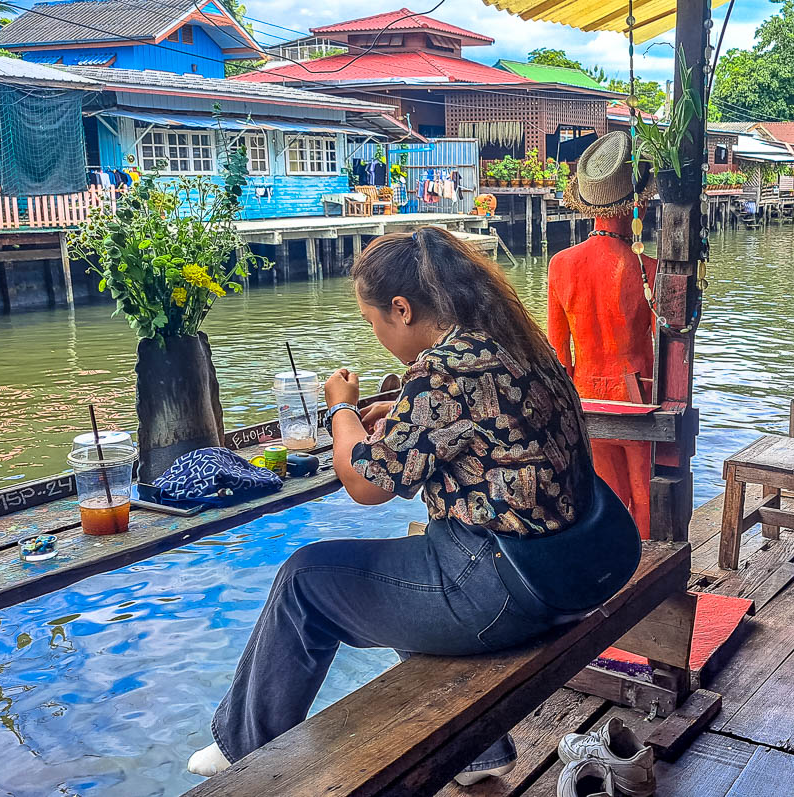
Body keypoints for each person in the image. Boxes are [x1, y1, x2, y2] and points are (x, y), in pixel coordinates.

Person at [188, 226, 631, 785]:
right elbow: (472, 425)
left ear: (401, 308)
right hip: (577, 570)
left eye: (373, 322)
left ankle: (242, 749)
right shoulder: (515, 342)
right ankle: (480, 755)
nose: (376, 336)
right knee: (404, 559)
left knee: (306, 579)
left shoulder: (442, 369)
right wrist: (401, 413)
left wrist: (341, 412)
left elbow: (366, 484)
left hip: (514, 592)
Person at [548, 132, 658, 535]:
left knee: (607, 498)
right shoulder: (647, 267)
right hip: (637, 392)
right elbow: (667, 342)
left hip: (584, 394)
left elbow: (558, 352)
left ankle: (617, 576)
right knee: (645, 495)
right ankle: (651, 574)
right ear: (637, 205)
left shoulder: (560, 264)